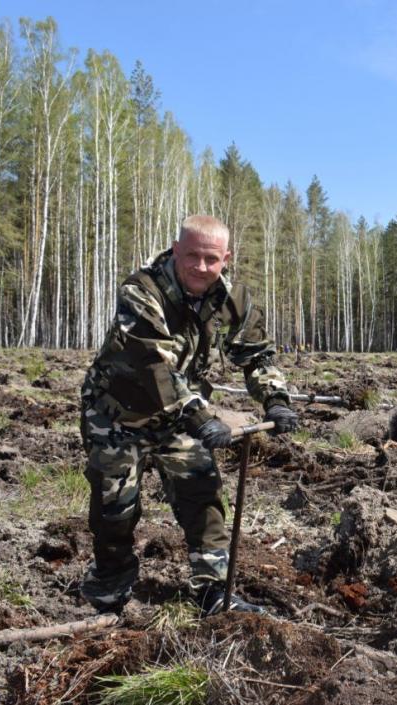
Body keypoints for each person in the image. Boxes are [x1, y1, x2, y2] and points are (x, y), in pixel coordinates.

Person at [79, 214, 299, 616]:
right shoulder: (142, 289)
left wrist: (276, 399)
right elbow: (151, 364)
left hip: (177, 416)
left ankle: (213, 591)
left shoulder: (231, 297)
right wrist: (199, 418)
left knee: (203, 492)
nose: (201, 267)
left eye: (211, 259)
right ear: (176, 250)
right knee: (115, 509)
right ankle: (109, 587)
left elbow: (255, 353)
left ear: (225, 258)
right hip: (116, 414)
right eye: (192, 255)